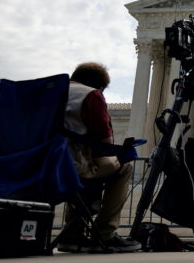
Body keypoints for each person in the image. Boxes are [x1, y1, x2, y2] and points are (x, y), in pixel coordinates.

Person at [58, 62, 142, 253]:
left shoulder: (47, 93)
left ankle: (72, 233)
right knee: (123, 167)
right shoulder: (90, 95)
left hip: (31, 164)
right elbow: (105, 143)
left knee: (89, 174)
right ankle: (105, 233)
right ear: (100, 86)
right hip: (70, 164)